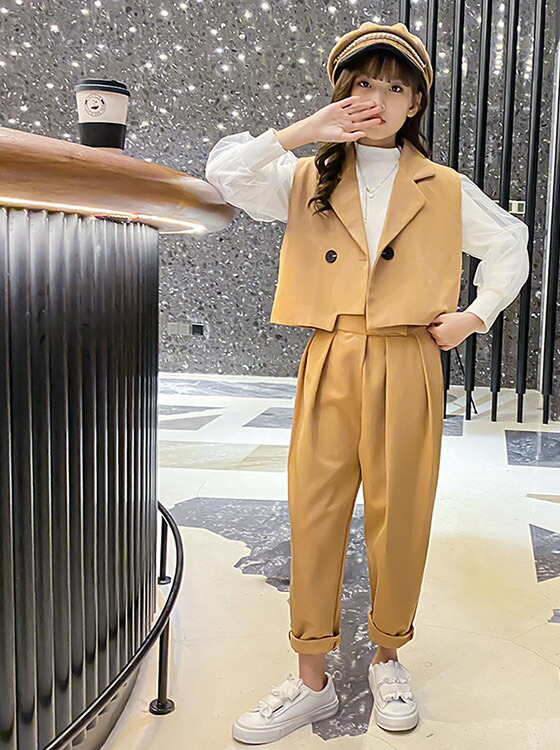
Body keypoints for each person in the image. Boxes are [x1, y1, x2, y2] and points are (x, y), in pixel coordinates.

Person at [204, 20, 530, 745]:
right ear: (340, 94)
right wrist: (304, 131)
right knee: (314, 510)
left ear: (415, 103)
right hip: (332, 353)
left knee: (401, 511)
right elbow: (224, 175)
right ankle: (310, 679)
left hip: (409, 355)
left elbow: (510, 241)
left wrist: (474, 316)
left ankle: (388, 657)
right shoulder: (306, 177)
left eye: (394, 86)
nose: (376, 99)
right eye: (361, 84)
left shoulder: (443, 187)